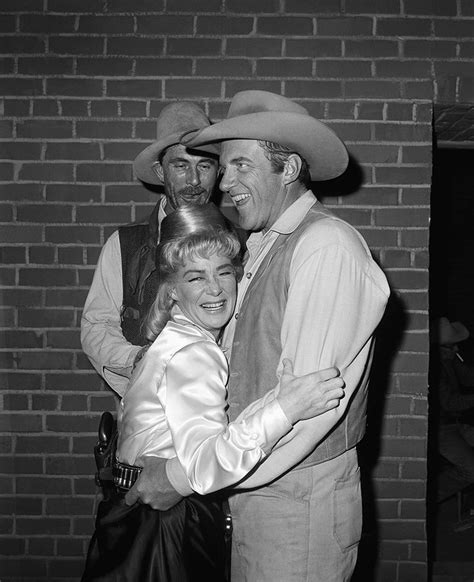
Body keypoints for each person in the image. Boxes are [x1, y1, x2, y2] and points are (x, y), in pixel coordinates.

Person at [129, 90, 390, 581]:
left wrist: (183, 478)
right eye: (224, 168)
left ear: (288, 168)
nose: (224, 183)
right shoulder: (266, 244)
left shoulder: (325, 247)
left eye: (240, 166)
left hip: (296, 499)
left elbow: (307, 409)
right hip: (255, 484)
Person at [81, 203, 345, 582]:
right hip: (166, 523)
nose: (215, 289)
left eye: (223, 271)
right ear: (172, 290)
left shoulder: (177, 337)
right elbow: (205, 467)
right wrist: (286, 407)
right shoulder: (195, 353)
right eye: (196, 277)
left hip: (134, 510)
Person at [81, 101, 220, 398]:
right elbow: (96, 326)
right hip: (145, 412)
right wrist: (137, 361)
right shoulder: (124, 245)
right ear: (160, 172)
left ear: (218, 173)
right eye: (181, 166)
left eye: (204, 166)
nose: (194, 181)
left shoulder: (242, 242)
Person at [432, 317, 474, 502]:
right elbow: (450, 403)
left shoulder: (449, 360)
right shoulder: (435, 369)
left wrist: (460, 365)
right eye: (452, 346)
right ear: (440, 347)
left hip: (456, 425)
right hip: (441, 430)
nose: (457, 349)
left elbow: (468, 379)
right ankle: (426, 499)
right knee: (471, 471)